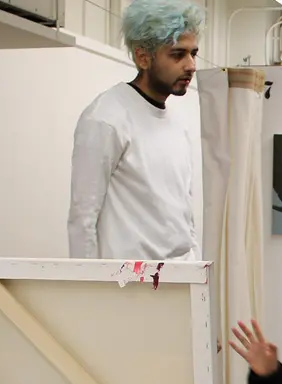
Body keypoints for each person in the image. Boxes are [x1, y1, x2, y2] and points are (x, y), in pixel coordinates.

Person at [66, 0, 203, 260]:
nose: (191, 65)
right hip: (128, 287)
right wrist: (87, 292)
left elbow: (184, 216)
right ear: (143, 57)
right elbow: (83, 219)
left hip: (179, 280)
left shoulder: (177, 122)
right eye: (177, 54)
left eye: (193, 53)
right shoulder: (106, 118)